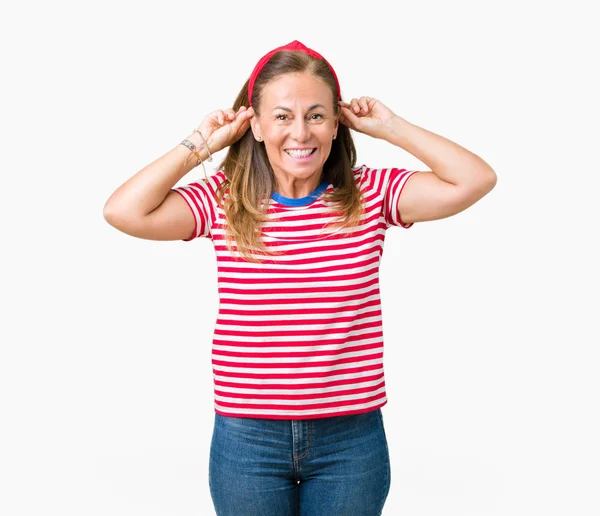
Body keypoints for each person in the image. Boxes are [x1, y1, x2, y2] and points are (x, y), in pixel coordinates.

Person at [104, 40, 496, 516]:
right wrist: (202, 144)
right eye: (283, 115)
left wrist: (391, 127)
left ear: (337, 123)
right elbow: (123, 211)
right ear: (256, 123)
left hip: (349, 441)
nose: (300, 132)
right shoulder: (223, 201)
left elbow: (475, 179)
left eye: (316, 115)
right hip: (248, 439)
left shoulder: (371, 195)